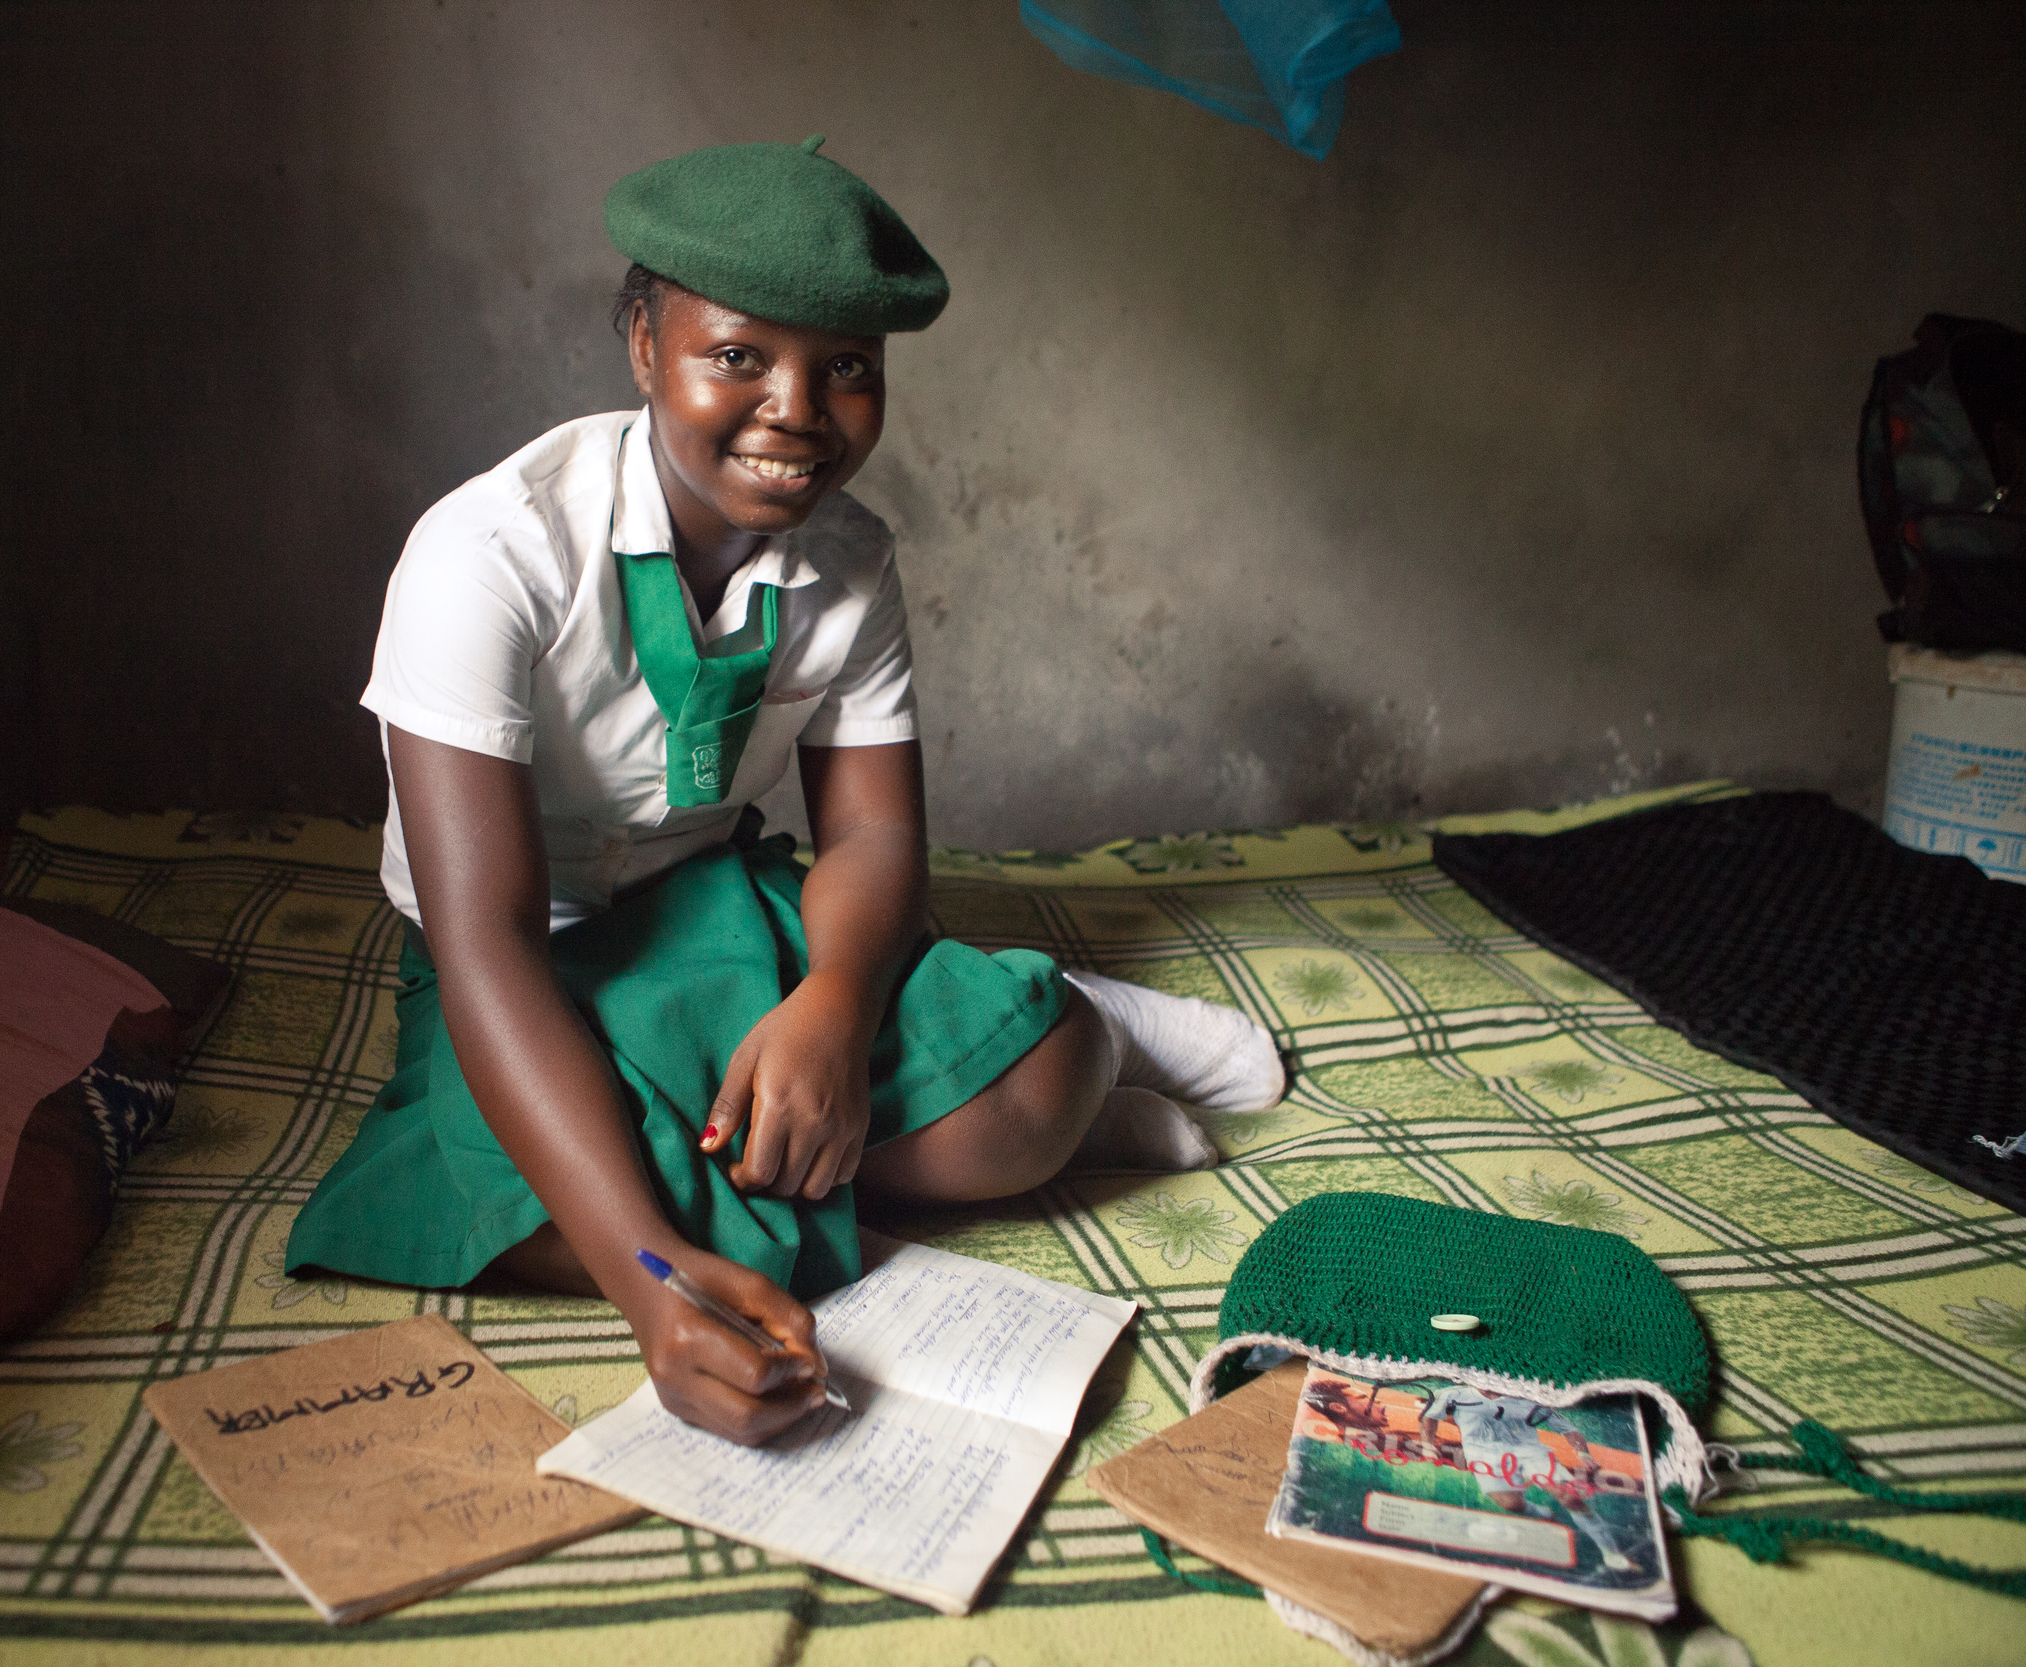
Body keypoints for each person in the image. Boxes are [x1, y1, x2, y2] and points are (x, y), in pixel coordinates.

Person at [288, 136, 1284, 1447]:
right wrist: (649, 1281)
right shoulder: (489, 552)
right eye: (739, 355)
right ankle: (777, 1187)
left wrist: (830, 1000)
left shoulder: (852, 559)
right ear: (644, 343)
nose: (798, 410)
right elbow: (484, 942)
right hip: (516, 964)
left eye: (849, 369)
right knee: (491, 1205)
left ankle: (1090, 1029)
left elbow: (870, 828)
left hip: (718, 909)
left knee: (1033, 1098)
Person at [1414, 1384, 1639, 1573]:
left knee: (1570, 1497)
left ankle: (1611, 1553)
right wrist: (1427, 1445)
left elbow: (1566, 1427)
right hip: (1485, 1456)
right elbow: (1429, 1417)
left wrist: (1583, 1454)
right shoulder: (1454, 1394)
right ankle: (1543, 1514)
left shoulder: (1527, 1396)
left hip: (1530, 1452)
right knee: (1512, 1505)